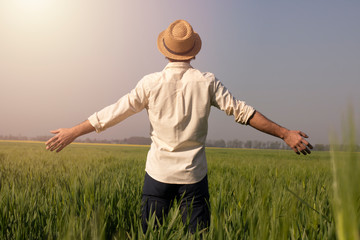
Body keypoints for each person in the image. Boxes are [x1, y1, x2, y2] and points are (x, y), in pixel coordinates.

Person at [45, 19, 313, 233]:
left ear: (165, 51)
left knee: (150, 234)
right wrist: (285, 133)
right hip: (194, 178)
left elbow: (114, 113)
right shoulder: (207, 82)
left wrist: (73, 131)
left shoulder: (150, 83)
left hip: (157, 176)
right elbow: (244, 112)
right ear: (193, 52)